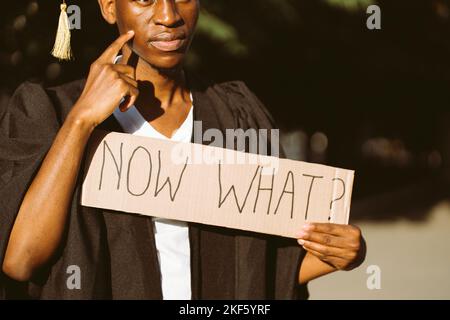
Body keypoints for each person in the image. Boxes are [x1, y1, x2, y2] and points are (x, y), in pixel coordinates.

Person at [0, 0, 366, 299]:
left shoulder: (238, 115)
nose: (169, 16)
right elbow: (23, 260)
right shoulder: (51, 113)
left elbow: (266, 272)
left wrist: (338, 255)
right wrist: (80, 122)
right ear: (110, 7)